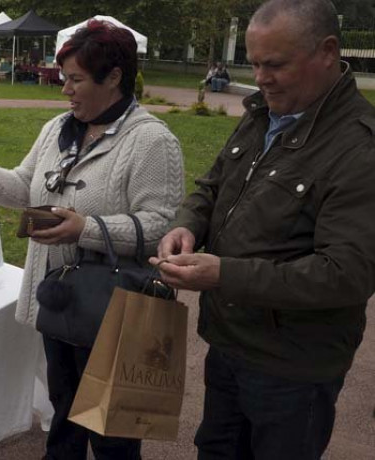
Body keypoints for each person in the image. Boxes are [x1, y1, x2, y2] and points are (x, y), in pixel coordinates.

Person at [0, 20, 184, 460]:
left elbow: (162, 225)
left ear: (114, 78)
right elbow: (23, 188)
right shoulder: (58, 128)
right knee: (64, 411)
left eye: (75, 80)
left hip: (113, 308)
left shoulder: (151, 141)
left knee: (112, 433)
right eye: (63, 77)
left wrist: (85, 228)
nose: (64, 89)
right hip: (60, 300)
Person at [150, 1, 375, 459]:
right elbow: (212, 187)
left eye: (275, 65)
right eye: (253, 64)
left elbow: (347, 274)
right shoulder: (264, 114)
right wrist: (186, 225)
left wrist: (223, 275)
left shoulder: (359, 146)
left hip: (294, 367)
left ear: (328, 52)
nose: (261, 78)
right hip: (231, 343)